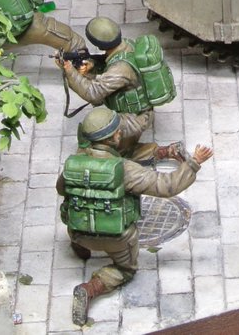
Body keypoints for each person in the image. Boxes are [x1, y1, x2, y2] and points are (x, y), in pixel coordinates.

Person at [58, 107, 212, 326]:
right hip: (116, 238)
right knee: (125, 270)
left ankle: (80, 248)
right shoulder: (125, 169)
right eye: (117, 131)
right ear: (113, 137)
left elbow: (61, 189)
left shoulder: (73, 163)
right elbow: (165, 186)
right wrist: (193, 163)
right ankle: (90, 289)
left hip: (78, 232)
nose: (121, 133)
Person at [59, 16, 182, 164]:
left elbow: (93, 94)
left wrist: (69, 71)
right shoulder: (127, 45)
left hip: (133, 119)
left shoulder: (120, 69)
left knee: (103, 150)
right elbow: (109, 62)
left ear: (99, 45)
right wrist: (93, 64)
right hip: (137, 111)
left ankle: (163, 151)